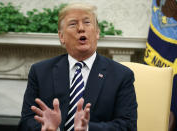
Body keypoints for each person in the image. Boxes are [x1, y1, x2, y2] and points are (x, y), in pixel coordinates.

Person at [18, 2, 137, 131]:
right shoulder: (40, 72)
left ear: (97, 33)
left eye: (87, 22)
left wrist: (88, 129)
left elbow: (128, 126)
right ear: (61, 37)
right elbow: (26, 122)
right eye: (73, 24)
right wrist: (48, 129)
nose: (81, 28)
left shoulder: (121, 75)